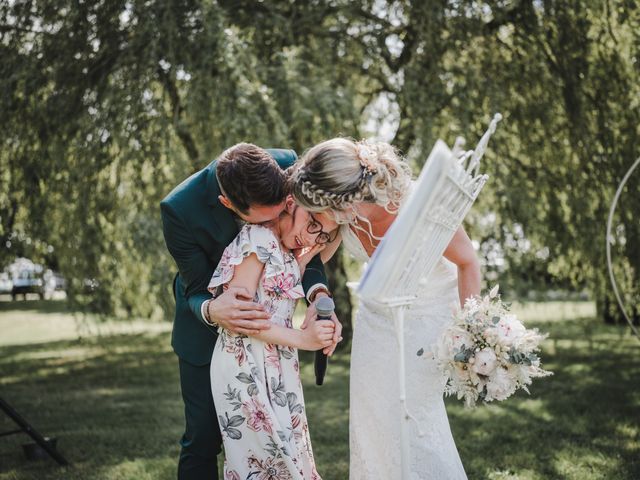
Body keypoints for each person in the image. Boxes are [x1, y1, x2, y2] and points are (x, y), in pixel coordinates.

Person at [289, 138, 481, 480]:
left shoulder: (421, 203)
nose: (313, 223)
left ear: (343, 203)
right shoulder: (345, 218)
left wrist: (473, 336)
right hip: (375, 321)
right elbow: (312, 263)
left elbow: (467, 262)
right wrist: (317, 300)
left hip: (427, 318)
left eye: (316, 214)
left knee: (415, 422)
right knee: (370, 423)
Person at [160, 143, 341, 480]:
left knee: (281, 447)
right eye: (269, 218)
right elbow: (196, 288)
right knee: (203, 441)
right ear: (228, 205)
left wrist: (317, 293)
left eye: (285, 209)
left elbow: (302, 247)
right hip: (210, 334)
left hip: (273, 353)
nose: (280, 223)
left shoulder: (288, 167)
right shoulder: (179, 210)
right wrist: (214, 309)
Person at [208, 193, 337, 479]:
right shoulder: (258, 238)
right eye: (313, 223)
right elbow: (239, 319)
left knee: (291, 460)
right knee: (266, 464)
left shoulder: (288, 249)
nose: (313, 236)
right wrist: (304, 340)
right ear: (292, 201)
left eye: (323, 234)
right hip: (246, 363)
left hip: (279, 368)